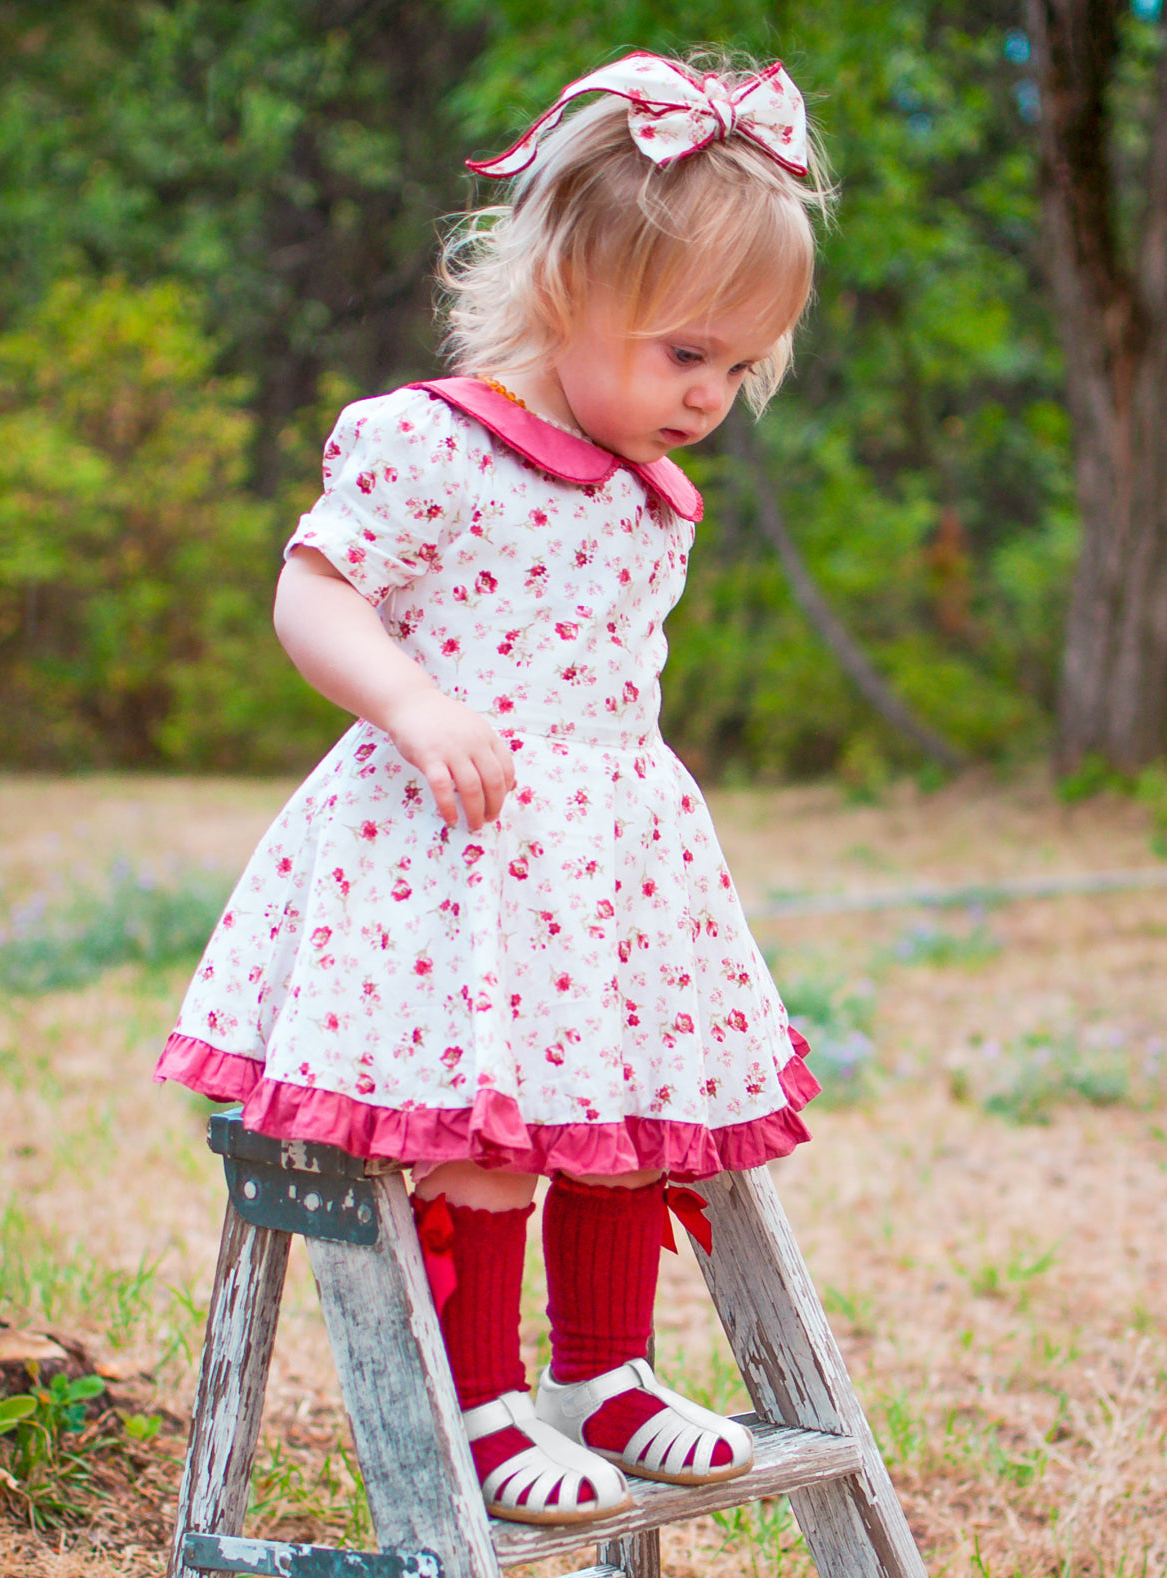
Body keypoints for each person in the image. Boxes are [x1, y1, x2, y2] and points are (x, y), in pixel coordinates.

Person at [157, 49, 831, 1528]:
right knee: (487, 1131)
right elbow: (315, 592)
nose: (714, 396)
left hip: (607, 866)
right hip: (451, 854)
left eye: (739, 367)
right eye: (688, 355)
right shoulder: (433, 441)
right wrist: (410, 699)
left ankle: (607, 1371)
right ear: (572, 289)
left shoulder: (655, 496)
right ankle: (483, 1395)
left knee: (619, 1104)